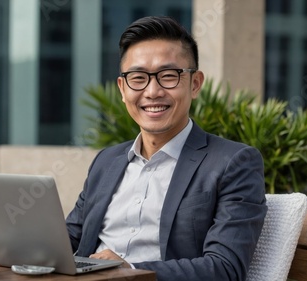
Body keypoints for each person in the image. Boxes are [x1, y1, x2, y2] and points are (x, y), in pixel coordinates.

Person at [65, 16, 267, 281]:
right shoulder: (106, 161)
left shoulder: (233, 162)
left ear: (195, 84)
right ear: (123, 89)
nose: (152, 91)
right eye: (138, 78)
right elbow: (68, 240)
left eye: (168, 76)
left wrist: (131, 272)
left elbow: (225, 268)